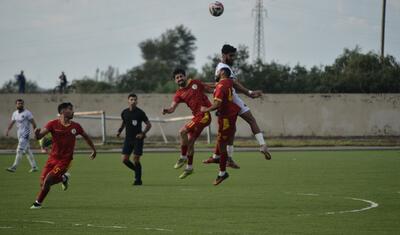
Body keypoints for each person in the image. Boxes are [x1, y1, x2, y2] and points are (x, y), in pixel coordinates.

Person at [203, 44, 272, 167]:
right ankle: (261, 146)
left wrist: (204, 86)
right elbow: (233, 84)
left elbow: (220, 84)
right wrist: (249, 93)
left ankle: (226, 158)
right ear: (224, 55)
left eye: (234, 56)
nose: (233, 58)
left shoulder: (224, 67)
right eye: (231, 55)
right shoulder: (223, 68)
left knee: (231, 130)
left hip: (233, 99)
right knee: (231, 129)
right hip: (231, 101)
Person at [30, 102, 96, 209]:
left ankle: (37, 203)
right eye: (70, 109)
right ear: (62, 111)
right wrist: (36, 134)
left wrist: (94, 149)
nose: (73, 111)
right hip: (52, 158)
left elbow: (86, 137)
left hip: (65, 160)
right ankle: (63, 178)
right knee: (43, 183)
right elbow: (39, 136)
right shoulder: (52, 124)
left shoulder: (76, 126)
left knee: (48, 180)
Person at [162, 68, 214, 179]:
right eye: (177, 78)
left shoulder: (195, 83)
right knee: (190, 142)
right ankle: (189, 167)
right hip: (197, 117)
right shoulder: (179, 93)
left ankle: (183, 156)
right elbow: (172, 108)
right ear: (175, 81)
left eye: (181, 76)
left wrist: (221, 88)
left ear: (185, 76)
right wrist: (167, 110)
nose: (180, 79)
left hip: (204, 115)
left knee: (182, 131)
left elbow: (210, 89)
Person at [200, 67, 240, 185]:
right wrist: (201, 84)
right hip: (232, 114)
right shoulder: (228, 82)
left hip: (226, 118)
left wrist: (206, 109)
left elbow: (217, 103)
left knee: (222, 145)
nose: (216, 73)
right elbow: (215, 85)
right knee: (221, 138)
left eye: (218, 72)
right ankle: (215, 157)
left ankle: (222, 173)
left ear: (222, 73)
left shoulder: (221, 87)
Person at [117, 93, 152, 186]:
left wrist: (143, 133)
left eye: (135, 100)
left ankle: (138, 180)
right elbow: (124, 122)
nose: (133, 101)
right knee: (124, 160)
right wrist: (119, 131)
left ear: (137, 101)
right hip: (128, 139)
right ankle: (138, 171)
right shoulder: (124, 112)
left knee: (136, 159)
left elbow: (149, 125)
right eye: (131, 99)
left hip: (137, 139)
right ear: (128, 101)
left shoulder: (140, 113)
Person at [5, 99, 39, 173]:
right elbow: (12, 122)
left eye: (21, 103)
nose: (20, 105)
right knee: (27, 150)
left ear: (23, 104)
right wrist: (8, 130)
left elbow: (34, 123)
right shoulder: (15, 113)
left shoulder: (27, 113)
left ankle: (14, 167)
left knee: (19, 150)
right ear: (16, 105)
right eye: (18, 103)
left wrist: (35, 133)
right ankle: (34, 166)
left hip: (25, 133)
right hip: (19, 133)